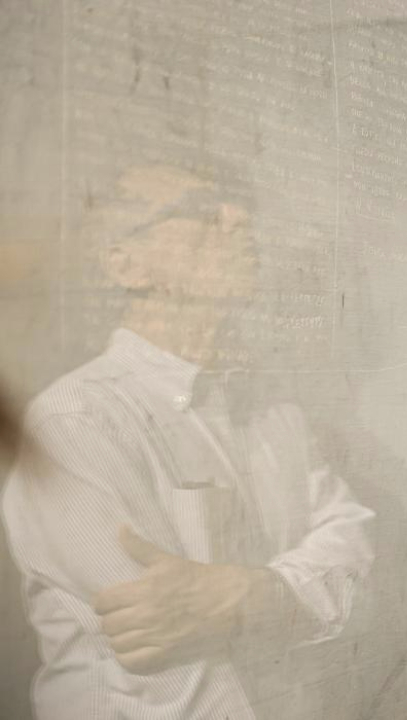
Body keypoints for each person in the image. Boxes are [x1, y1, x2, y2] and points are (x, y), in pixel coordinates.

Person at [2, 165, 375, 719]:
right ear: (125, 264)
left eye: (236, 208)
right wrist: (297, 597)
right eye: (204, 211)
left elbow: (359, 561)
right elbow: (167, 635)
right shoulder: (74, 421)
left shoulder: (276, 412)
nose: (240, 220)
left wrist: (251, 596)